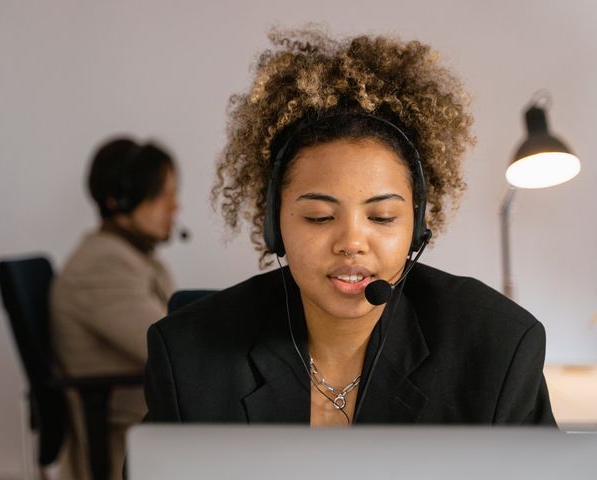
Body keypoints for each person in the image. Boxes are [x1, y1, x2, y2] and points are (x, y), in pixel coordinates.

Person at [143, 28, 555, 426]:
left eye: (382, 217)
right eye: (320, 217)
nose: (351, 243)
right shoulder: (187, 356)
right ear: (274, 223)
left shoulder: (498, 349)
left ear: (416, 227)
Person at [51, 137, 179, 478]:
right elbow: (172, 348)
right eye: (161, 194)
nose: (174, 206)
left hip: (148, 422)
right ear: (119, 201)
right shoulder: (103, 264)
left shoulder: (131, 257)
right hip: (129, 439)